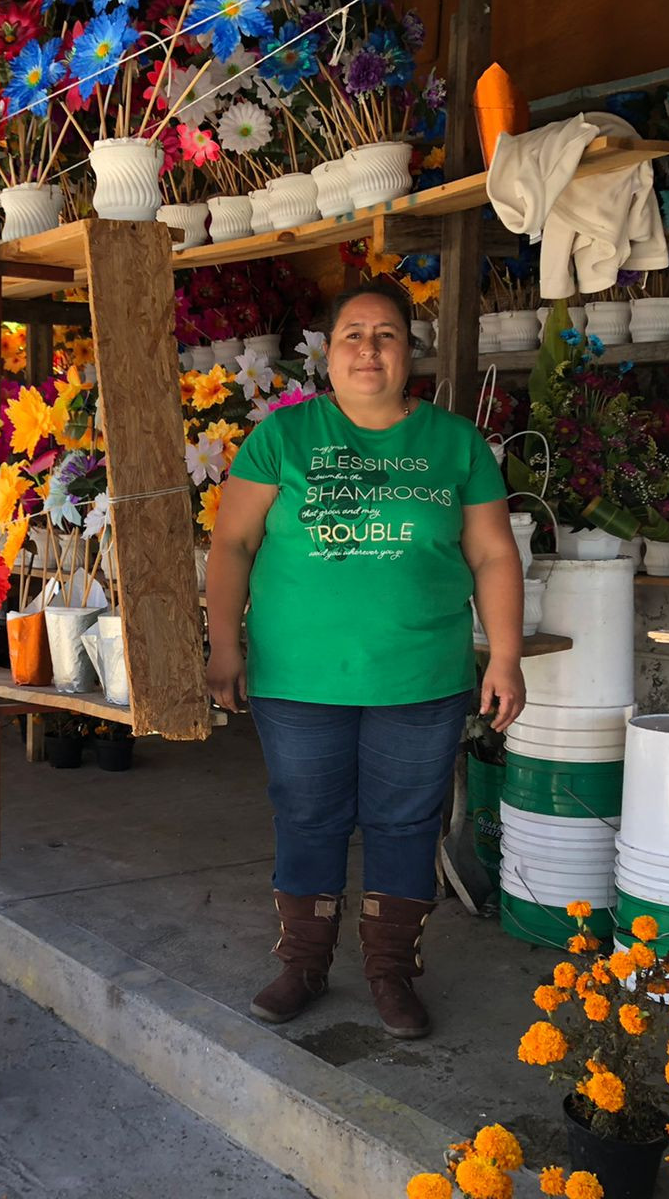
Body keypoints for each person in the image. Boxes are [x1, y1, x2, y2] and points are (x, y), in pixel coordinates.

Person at [206, 280, 525, 1039]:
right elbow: (232, 544)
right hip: (300, 675)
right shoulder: (282, 439)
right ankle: (303, 965)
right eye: (353, 333)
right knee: (308, 816)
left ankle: (391, 972)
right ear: (328, 354)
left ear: (410, 352)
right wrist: (225, 646)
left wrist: (505, 656)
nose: (369, 348)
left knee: (405, 824)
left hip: (420, 674)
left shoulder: (455, 444)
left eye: (386, 334)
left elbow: (492, 554)